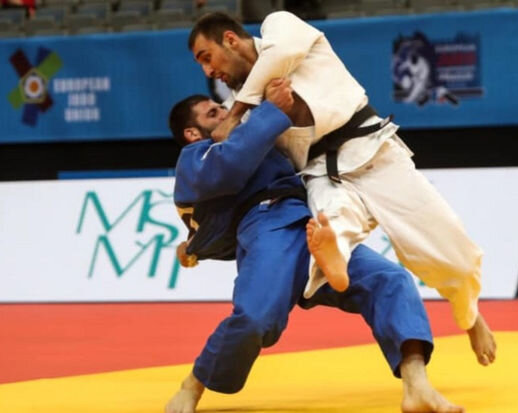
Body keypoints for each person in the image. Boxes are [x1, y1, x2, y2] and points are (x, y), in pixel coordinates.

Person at [186, 11, 496, 366]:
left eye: (207, 57)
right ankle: (336, 265)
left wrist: (240, 111)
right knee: (329, 229)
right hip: (320, 173)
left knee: (456, 256)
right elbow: (235, 166)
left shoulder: (279, 27)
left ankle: (470, 316)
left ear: (229, 39)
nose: (208, 71)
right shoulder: (235, 108)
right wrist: (195, 236)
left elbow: (279, 56)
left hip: (373, 154)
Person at [165, 81, 464, 413]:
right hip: (268, 224)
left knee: (389, 280)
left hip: (311, 222)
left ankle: (417, 385)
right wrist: (271, 110)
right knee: (255, 319)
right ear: (192, 133)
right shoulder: (196, 156)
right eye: (213, 113)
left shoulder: (255, 134)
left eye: (221, 106)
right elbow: (225, 176)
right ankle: (193, 384)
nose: (225, 111)